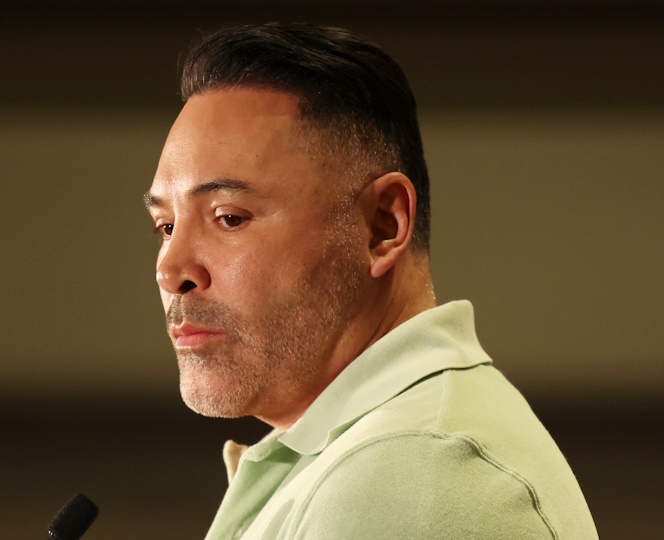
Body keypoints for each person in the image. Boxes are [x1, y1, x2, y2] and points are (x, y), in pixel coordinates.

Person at [144, 22, 598, 540]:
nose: (170, 271)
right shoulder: (362, 453)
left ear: (384, 225)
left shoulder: (410, 478)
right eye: (165, 226)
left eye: (229, 217)